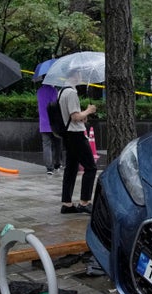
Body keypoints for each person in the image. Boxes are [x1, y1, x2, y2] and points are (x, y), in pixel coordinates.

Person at [58, 80, 97, 214]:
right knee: (91, 167)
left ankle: (67, 203)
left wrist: (83, 116)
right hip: (76, 135)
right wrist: (89, 110)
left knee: (71, 168)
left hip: (68, 134)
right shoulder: (71, 93)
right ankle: (84, 202)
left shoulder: (61, 92)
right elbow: (75, 116)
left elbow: (70, 116)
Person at [36, 81, 65, 174]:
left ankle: (49, 168)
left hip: (43, 123)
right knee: (57, 144)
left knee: (46, 145)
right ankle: (57, 164)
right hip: (54, 123)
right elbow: (55, 105)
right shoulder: (54, 91)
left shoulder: (39, 91)